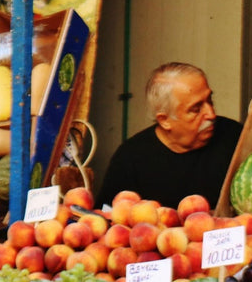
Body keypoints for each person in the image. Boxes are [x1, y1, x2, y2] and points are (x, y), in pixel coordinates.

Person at [98, 62, 242, 210]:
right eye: (196, 109)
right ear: (165, 120)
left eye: (210, 100)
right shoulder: (130, 160)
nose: (211, 114)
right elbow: (109, 217)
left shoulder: (234, 137)